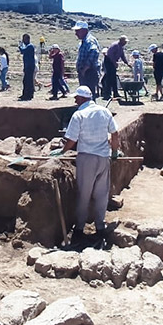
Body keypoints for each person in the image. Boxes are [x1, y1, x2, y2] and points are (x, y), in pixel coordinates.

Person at [56, 86, 120, 250]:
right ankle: (100, 228)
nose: (75, 100)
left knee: (84, 194)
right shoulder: (104, 112)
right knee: (101, 194)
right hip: (103, 158)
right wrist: (114, 151)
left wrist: (62, 151)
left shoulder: (79, 115)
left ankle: (79, 230)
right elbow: (115, 133)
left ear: (82, 98)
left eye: (76, 98)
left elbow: (71, 139)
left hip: (86, 159)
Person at [74, 21, 101, 97]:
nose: (76, 33)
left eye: (77, 31)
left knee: (87, 94)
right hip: (86, 72)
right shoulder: (85, 41)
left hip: (89, 72)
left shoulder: (89, 41)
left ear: (84, 30)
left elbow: (94, 52)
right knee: (85, 94)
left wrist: (85, 68)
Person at [103, 35, 130, 101]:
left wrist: (127, 63)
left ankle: (115, 93)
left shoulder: (121, 47)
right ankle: (107, 94)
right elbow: (110, 55)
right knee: (109, 78)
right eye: (125, 41)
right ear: (121, 40)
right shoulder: (115, 45)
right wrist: (114, 63)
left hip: (113, 62)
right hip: (109, 61)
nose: (125, 43)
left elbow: (122, 56)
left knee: (114, 78)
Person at [19, 33, 38, 101]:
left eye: (24, 39)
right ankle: (25, 94)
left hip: (30, 66)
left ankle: (29, 95)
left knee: (28, 81)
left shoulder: (30, 46)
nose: (23, 40)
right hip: (27, 66)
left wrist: (20, 46)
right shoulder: (27, 46)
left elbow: (22, 51)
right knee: (25, 81)